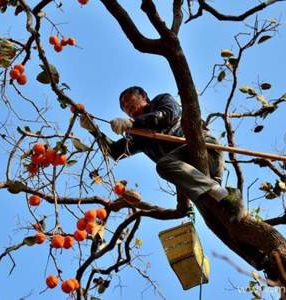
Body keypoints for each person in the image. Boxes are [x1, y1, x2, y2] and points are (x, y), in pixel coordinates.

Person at [80, 86, 237, 215]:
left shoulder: (162, 100)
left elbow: (167, 115)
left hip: (204, 150)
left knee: (164, 165)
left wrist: (133, 124)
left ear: (143, 96)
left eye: (128, 100)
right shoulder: (140, 137)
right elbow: (114, 152)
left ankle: (218, 191)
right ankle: (224, 199)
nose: (127, 107)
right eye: (124, 107)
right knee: (216, 217)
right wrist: (93, 130)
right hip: (193, 175)